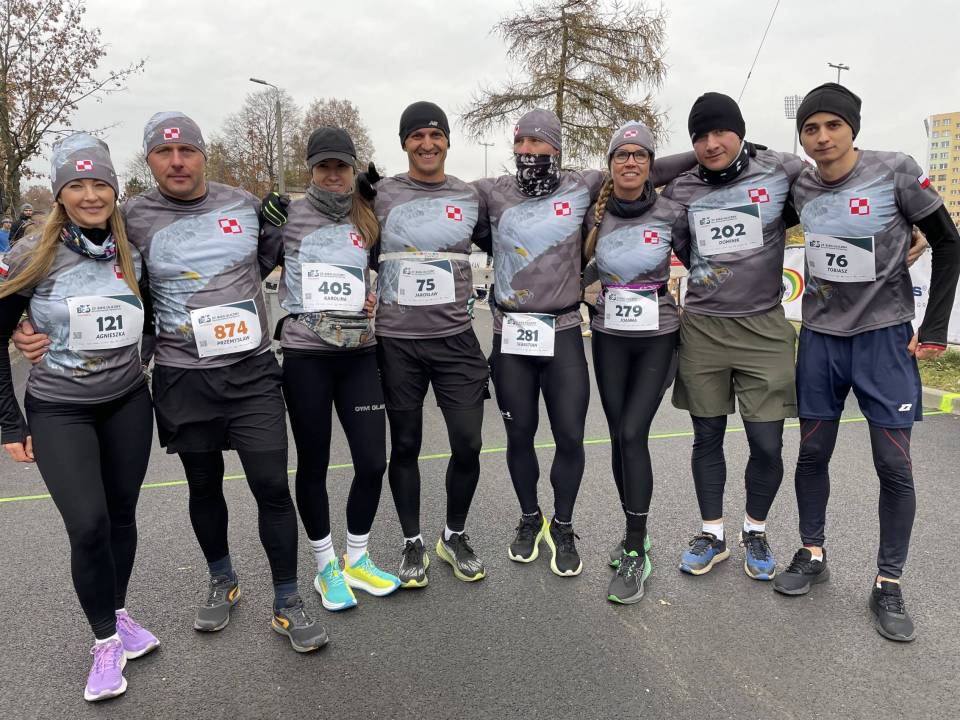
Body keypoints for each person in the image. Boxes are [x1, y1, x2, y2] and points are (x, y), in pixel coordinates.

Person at [13, 112, 327, 652]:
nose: (177, 161)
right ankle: (222, 579)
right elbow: (78, 263)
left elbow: (277, 265)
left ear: (204, 154)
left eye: (187, 151)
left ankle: (287, 600)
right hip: (183, 377)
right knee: (203, 486)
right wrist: (27, 324)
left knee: (272, 487)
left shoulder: (244, 205)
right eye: (164, 152)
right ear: (149, 160)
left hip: (251, 374)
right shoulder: (128, 218)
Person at [773, 83, 960, 642]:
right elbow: (758, 211)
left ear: (852, 128)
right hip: (821, 340)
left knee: (894, 467)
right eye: (810, 128)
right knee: (812, 454)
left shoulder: (895, 170)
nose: (822, 137)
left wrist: (933, 329)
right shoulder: (802, 184)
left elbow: (948, 242)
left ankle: (888, 582)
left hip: (884, 341)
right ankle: (812, 552)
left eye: (833, 125)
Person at [474, 109, 692, 577]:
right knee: (519, 435)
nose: (528, 151)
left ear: (557, 149)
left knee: (571, 436)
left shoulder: (582, 185)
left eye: (539, 143)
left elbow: (644, 167)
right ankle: (529, 518)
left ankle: (564, 525)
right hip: (511, 333)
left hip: (563, 331)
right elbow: (441, 197)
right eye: (521, 143)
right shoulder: (492, 192)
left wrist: (711, 152)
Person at [0, 134, 158, 701]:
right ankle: (104, 642)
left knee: (121, 516)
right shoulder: (31, 254)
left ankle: (118, 613)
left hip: (128, 403)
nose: (91, 195)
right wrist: (10, 423)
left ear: (114, 190)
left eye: (100, 185)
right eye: (77, 185)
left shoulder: (131, 250)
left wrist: (144, 359)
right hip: (60, 409)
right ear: (59, 193)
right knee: (88, 524)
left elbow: (156, 316)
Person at [661, 93, 805, 581]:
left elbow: (831, 191)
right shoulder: (681, 188)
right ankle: (712, 534)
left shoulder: (779, 169)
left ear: (741, 132)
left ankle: (755, 531)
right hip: (703, 327)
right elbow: (683, 245)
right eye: (699, 136)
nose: (710, 143)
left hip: (764, 327)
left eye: (720, 131)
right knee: (707, 437)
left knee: (767, 443)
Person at [271, 126, 400, 610]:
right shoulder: (288, 216)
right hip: (307, 355)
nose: (332, 175)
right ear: (310, 170)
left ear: (352, 169)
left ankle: (357, 558)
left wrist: (370, 295)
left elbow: (377, 271)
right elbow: (249, 269)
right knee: (315, 463)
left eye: (340, 166)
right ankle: (326, 567)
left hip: (359, 353)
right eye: (322, 167)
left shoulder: (366, 214)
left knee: (372, 462)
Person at [370, 101, 490, 586]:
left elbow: (505, 240)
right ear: (404, 143)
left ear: (447, 142)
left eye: (435, 135)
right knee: (405, 444)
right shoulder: (379, 193)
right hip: (397, 340)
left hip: (455, 339)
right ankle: (412, 541)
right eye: (416, 135)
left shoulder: (469, 196)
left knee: (469, 443)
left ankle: (453, 535)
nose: (427, 143)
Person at [582, 121, 691, 602]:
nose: (630, 162)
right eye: (621, 155)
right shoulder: (594, 213)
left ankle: (635, 548)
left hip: (657, 337)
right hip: (608, 336)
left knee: (632, 433)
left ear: (651, 164)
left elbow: (701, 262)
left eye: (640, 155)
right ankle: (635, 533)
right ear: (610, 165)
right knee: (617, 437)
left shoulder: (671, 211)